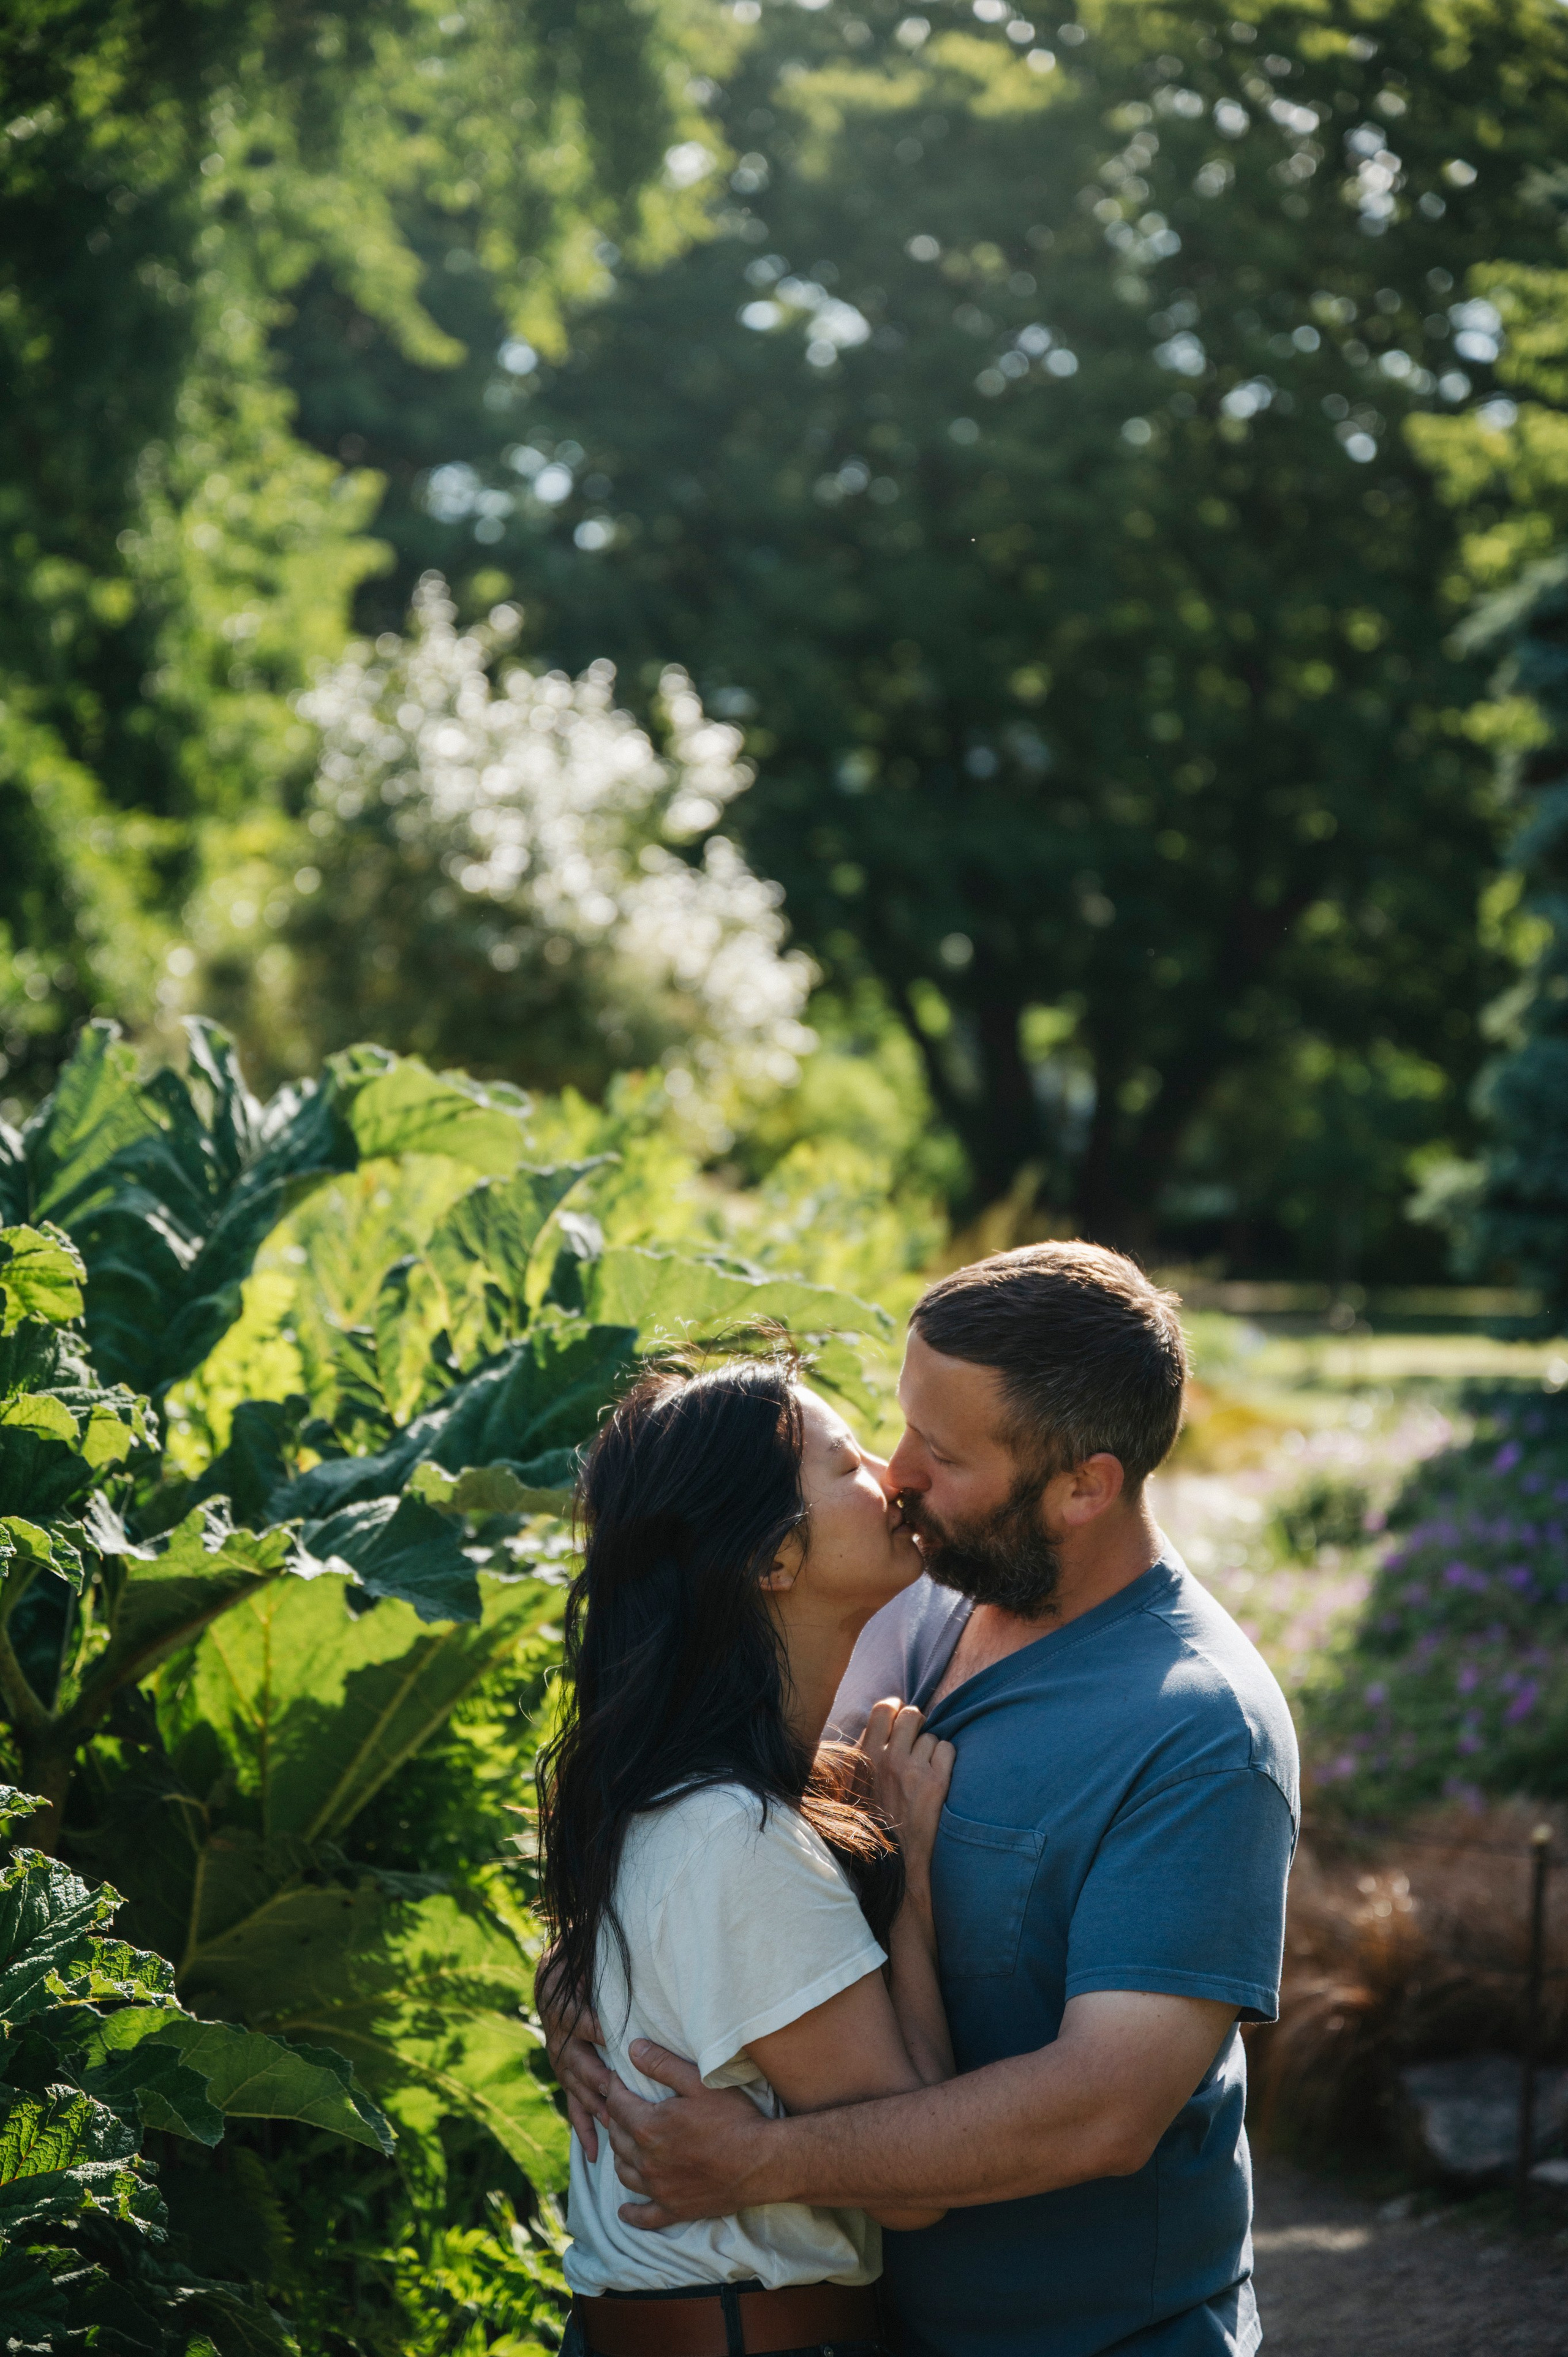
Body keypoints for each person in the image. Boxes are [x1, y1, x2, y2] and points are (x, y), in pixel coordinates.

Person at [550, 1243, 1300, 2357]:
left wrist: (764, 2162)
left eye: (940, 1454)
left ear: (1085, 1485)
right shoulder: (919, 1612)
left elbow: (1104, 2109)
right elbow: (709, 1823)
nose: (897, 1476)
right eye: (895, 1432)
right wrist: (596, 1975)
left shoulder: (1196, 1733)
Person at [536, 1352, 960, 2357]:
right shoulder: (740, 1840)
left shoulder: (673, 1798)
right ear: (773, 1557)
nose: (892, 1477)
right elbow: (919, 2182)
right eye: (847, 1464)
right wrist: (914, 1887)